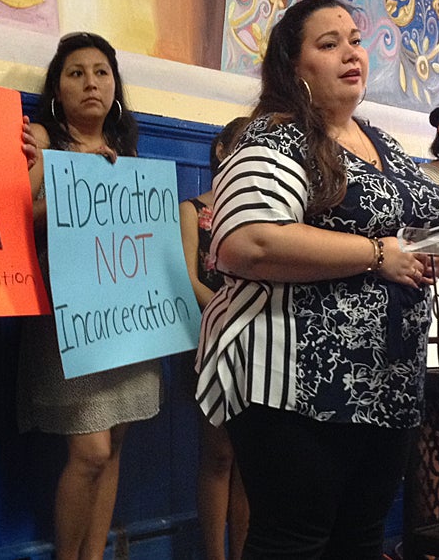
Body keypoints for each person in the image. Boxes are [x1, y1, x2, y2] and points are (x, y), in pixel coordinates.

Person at [195, 0, 439, 558]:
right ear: (294, 66)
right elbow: (246, 241)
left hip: (386, 387)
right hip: (296, 384)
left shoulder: (384, 144)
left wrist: (430, 254)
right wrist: (378, 254)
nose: (350, 53)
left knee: (358, 540)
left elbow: (413, 233)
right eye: (328, 44)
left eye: (355, 40)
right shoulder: (277, 139)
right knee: (295, 542)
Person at [20, 32, 162, 560]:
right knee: (90, 450)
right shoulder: (41, 139)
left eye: (101, 72)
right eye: (76, 72)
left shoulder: (126, 151)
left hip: (126, 321)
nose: (90, 83)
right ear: (58, 87)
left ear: (115, 86)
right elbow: (15, 222)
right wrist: (72, 182)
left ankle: (94, 555)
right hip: (69, 321)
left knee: (115, 448)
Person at [180, 117, 251, 560]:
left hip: (257, 339)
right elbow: (189, 278)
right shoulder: (193, 209)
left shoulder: (263, 214)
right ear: (222, 149)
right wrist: (227, 313)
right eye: (242, 144)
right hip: (214, 335)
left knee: (248, 461)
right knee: (218, 453)